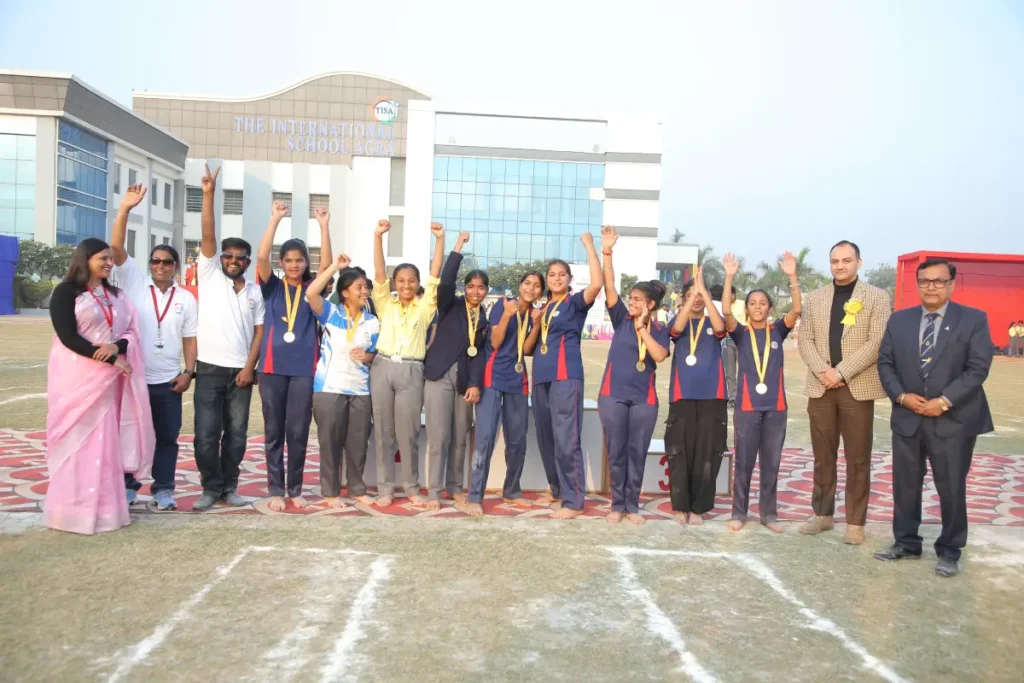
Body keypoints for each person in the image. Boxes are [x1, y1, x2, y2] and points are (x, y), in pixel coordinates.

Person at [875, 258, 993, 577]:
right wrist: (901, 396)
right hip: (908, 417)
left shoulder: (973, 320)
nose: (931, 287)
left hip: (953, 420)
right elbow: (885, 363)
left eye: (939, 281)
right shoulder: (899, 321)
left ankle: (950, 549)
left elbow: (977, 368)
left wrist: (943, 401)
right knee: (906, 483)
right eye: (925, 281)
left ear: (952, 284)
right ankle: (907, 542)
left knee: (951, 485)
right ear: (918, 284)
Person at [45, 238, 154, 534]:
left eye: (110, 259)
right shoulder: (67, 292)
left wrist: (117, 348)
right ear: (86, 259)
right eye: (102, 258)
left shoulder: (115, 295)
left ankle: (105, 511)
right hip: (76, 377)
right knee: (76, 442)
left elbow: (130, 332)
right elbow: (68, 337)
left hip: (107, 384)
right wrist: (110, 359)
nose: (108, 263)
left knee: (104, 443)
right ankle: (70, 511)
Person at [110, 184, 199, 512]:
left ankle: (163, 489)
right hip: (134, 378)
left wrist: (189, 372)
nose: (160, 266)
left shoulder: (186, 298)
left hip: (168, 380)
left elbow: (190, 339)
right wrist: (125, 210)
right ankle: (128, 485)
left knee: (167, 438)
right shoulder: (134, 282)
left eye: (167, 262)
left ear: (176, 266)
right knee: (130, 434)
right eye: (155, 261)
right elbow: (117, 247)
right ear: (149, 264)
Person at [797, 241, 891, 545]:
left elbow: (877, 342)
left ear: (859, 263)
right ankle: (822, 515)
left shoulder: (876, 297)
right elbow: (805, 340)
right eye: (835, 261)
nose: (840, 266)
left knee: (857, 457)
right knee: (823, 455)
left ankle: (855, 521)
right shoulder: (814, 298)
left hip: (856, 386)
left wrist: (841, 372)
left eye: (846, 260)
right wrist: (825, 372)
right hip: (820, 386)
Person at [192, 163, 265, 512]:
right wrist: (209, 194)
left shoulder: (254, 292)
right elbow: (207, 235)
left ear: (247, 261)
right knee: (206, 435)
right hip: (207, 369)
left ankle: (230, 487)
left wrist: (249, 368)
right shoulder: (208, 275)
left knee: (235, 436)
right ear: (219, 258)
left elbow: (259, 332)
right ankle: (210, 488)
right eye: (228, 255)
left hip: (241, 373)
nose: (233, 260)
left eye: (240, 257)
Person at [254, 202, 333, 511]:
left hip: (303, 369)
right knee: (274, 430)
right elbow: (261, 257)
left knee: (298, 431)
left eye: (300, 261)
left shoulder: (313, 289)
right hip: (272, 369)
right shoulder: (271, 287)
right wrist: (274, 218)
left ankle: (295, 488)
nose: (294, 265)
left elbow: (327, 267)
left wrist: (324, 227)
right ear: (281, 262)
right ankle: (276, 489)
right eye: (288, 260)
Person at [721, 251, 801, 533]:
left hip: (776, 408)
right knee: (743, 463)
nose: (757, 307)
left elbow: (797, 310)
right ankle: (738, 513)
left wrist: (792, 275)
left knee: (771, 463)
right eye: (753, 303)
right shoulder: (740, 333)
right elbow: (726, 312)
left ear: (769, 308)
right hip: (746, 407)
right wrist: (729, 276)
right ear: (748, 308)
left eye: (762, 303)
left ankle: (769, 514)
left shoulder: (778, 331)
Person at [598, 226, 671, 525]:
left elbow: (659, 356)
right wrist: (607, 252)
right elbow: (610, 287)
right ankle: (617, 505)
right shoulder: (620, 319)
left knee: (636, 453)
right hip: (613, 395)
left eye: (638, 299)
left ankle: (632, 506)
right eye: (632, 298)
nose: (632, 303)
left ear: (651, 304)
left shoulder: (658, 330)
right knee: (616, 452)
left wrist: (642, 327)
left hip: (644, 400)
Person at [369, 219, 445, 507]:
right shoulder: (384, 303)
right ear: (394, 283)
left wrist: (439, 241)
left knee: (407, 432)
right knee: (383, 432)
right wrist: (378, 237)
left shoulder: (425, 308)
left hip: (412, 370)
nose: (406, 285)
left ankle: (411, 487)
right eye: (400, 281)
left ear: (417, 284)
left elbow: (435, 276)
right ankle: (386, 488)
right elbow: (378, 273)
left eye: (411, 281)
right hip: (383, 367)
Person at [457, 272, 545, 516]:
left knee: (517, 441)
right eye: (527, 283)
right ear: (520, 285)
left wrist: (536, 324)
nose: (531, 288)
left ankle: (512, 490)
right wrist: (507, 314)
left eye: (536, 286)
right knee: (484, 439)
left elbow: (526, 349)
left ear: (540, 292)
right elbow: (495, 342)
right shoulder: (502, 305)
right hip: (493, 377)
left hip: (518, 380)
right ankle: (475, 495)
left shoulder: (535, 313)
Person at [532, 232, 604, 519]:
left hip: (565, 375)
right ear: (547, 280)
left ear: (570, 279)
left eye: (562, 275)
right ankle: (560, 492)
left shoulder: (575, 303)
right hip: (541, 376)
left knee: (566, 438)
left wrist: (589, 245)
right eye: (552, 274)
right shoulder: (543, 308)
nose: (557, 278)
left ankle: (574, 501)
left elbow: (597, 284)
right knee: (546, 437)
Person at [306, 254, 380, 508]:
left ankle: (357, 489)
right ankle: (330, 493)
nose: (365, 291)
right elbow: (311, 292)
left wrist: (368, 356)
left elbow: (377, 353)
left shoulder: (372, 322)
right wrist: (335, 269)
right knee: (330, 443)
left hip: (360, 390)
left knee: (358, 444)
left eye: (366, 287)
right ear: (345, 292)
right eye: (359, 287)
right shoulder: (331, 313)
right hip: (329, 389)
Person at [422, 232, 489, 509]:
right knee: (438, 437)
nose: (475, 291)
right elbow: (446, 280)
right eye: (471, 286)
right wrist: (457, 248)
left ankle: (454, 486)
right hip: (439, 375)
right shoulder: (450, 304)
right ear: (465, 288)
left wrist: (475, 383)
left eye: (481, 287)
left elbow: (480, 354)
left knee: (460, 437)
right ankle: (434, 492)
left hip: (464, 382)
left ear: (486, 290)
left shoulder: (484, 317)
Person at [666, 269, 728, 526]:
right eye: (690, 295)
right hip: (682, 396)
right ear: (682, 299)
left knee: (706, 454)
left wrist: (705, 293)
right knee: (680, 452)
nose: (697, 299)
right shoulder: (677, 322)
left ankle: (699, 508)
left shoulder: (713, 323)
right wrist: (692, 299)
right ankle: (680, 505)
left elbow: (721, 327)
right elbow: (676, 329)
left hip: (713, 397)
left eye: (701, 295)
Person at [709, 283, 743, 406]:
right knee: (730, 371)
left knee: (745, 370)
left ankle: (744, 396)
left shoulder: (744, 305)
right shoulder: (722, 307)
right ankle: (733, 397)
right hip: (728, 341)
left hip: (743, 341)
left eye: (729, 294)